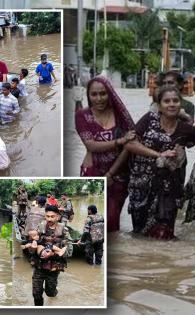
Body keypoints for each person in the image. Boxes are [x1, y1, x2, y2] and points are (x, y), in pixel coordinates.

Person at [125, 86, 195, 239]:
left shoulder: (185, 128)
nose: (171, 104)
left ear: (181, 104)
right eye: (166, 101)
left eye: (175, 101)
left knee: (165, 235)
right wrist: (158, 154)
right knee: (140, 235)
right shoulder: (149, 119)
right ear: (159, 105)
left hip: (170, 189)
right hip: (143, 187)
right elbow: (130, 143)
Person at [75, 76, 136, 232]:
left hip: (119, 174)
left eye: (103, 93)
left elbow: (130, 145)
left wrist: (110, 173)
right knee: (94, 218)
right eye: (94, 94)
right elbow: (91, 145)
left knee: (112, 221)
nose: (99, 98)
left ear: (110, 94)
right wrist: (119, 141)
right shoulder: (82, 115)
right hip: (93, 171)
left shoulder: (120, 115)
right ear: (88, 96)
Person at [30, 205, 71, 306]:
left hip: (53, 267)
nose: (49, 219)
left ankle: (54, 291)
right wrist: (34, 245)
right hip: (39, 265)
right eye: (47, 216)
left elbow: (69, 249)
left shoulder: (63, 230)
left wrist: (53, 253)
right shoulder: (41, 226)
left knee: (50, 293)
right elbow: (35, 241)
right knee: (36, 294)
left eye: (52, 216)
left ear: (58, 217)